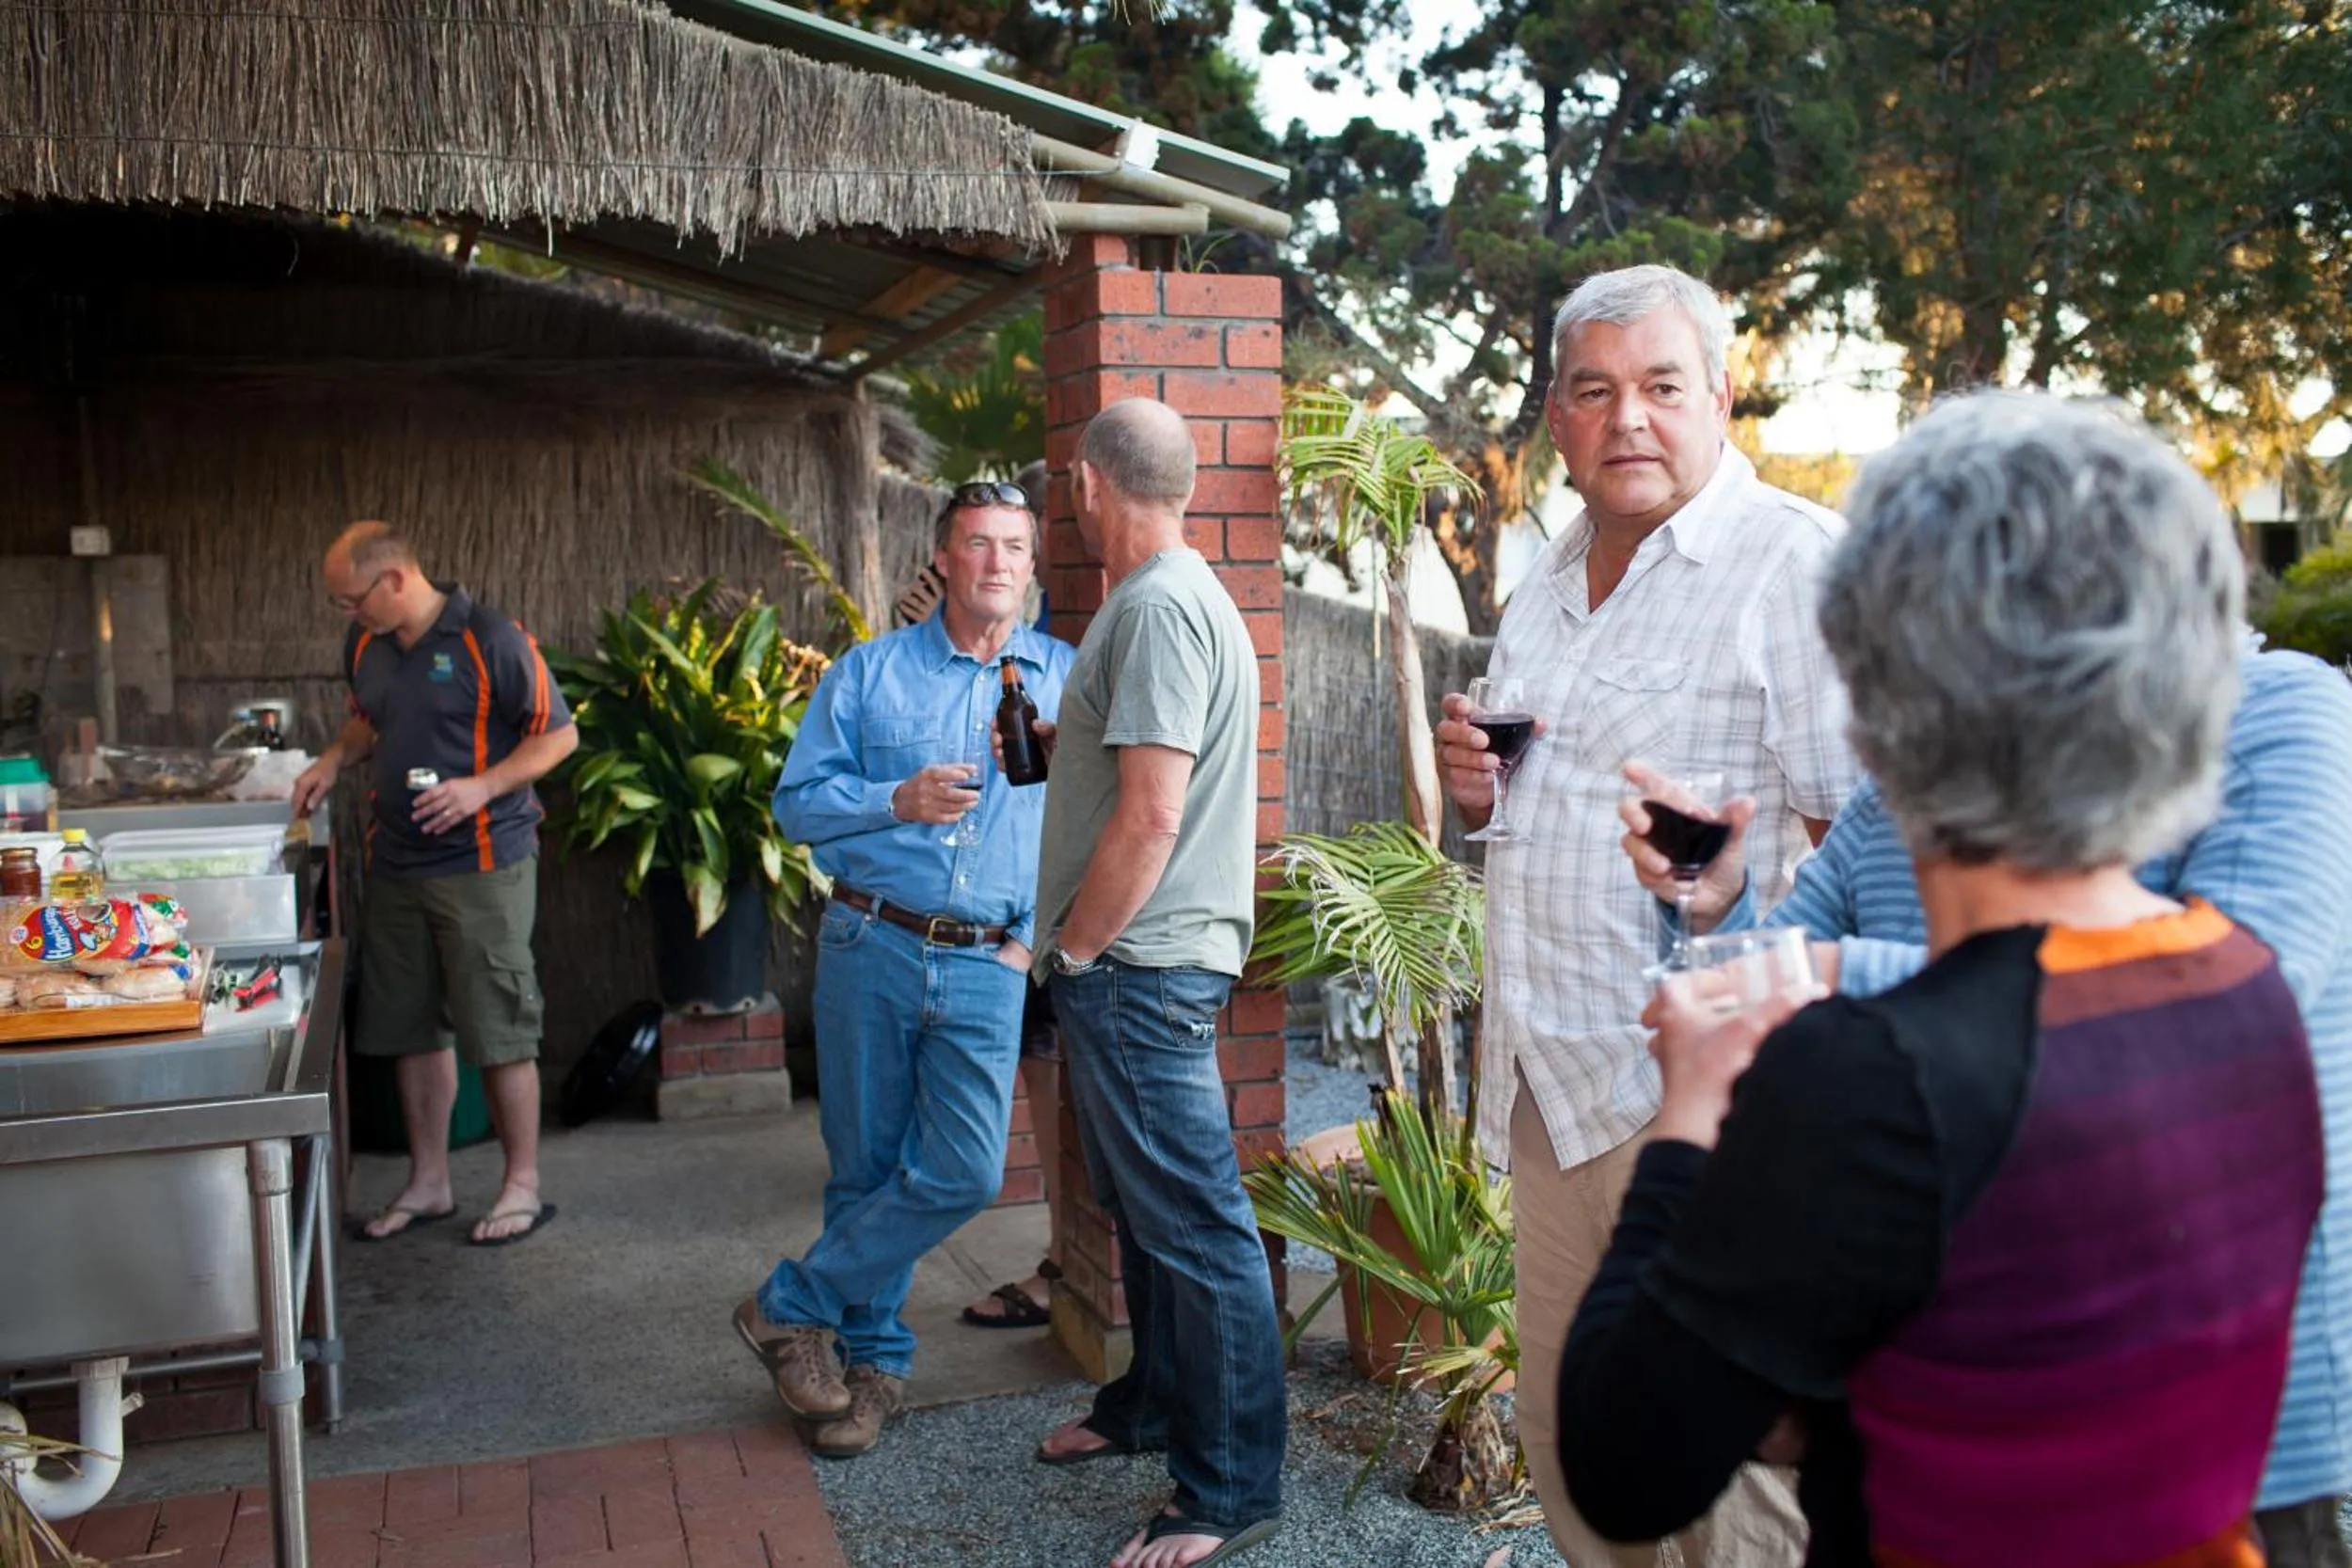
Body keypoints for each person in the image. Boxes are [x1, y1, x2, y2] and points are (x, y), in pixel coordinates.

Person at [1560, 390, 2325, 1563]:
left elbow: (1625, 1462)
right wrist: (1720, 908)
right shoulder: (2232, 995)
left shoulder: (1867, 1075)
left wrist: (1694, 1113)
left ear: (1873, 704)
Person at [1432, 262, 1856, 1565]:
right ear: (1555, 417)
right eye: (1596, 390)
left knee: (1726, 1479)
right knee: (1578, 1444)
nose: (1630, 419)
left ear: (1721, 397)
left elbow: (1877, 854)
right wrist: (1479, 794)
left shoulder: (1795, 568)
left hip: (1714, 1104)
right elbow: (1538, 806)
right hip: (1552, 1085)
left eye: (1663, 387)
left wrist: (1736, 922)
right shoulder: (1548, 577)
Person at [732, 482, 1073, 1459]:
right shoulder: (869, 676)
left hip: (987, 957)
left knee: (965, 1168)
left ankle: (786, 1304)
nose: (997, 561)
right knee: (867, 1165)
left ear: (1032, 565)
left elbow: (1090, 825)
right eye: (978, 543)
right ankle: (868, 1370)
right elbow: (797, 805)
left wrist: (1025, 943)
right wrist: (896, 797)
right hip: (870, 940)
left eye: (1014, 544)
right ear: (946, 559)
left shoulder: (1062, 678)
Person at [1025, 397, 1284, 1568]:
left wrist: (1075, 949)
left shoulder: (1163, 607)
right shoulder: (1157, 603)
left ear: (1088, 483)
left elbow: (1154, 812)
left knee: (1197, 1229)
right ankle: (1150, 1408)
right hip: (1138, 961)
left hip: (1137, 965)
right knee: (1146, 1214)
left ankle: (1227, 1486)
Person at [294, 521, 576, 1246]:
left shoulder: (491, 637)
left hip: (483, 862)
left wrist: (482, 787)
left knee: (500, 1026)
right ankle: (430, 1180)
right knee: (413, 1027)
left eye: (351, 598)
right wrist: (333, 758)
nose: (346, 613)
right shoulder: (367, 645)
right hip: (396, 861)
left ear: (393, 579)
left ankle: (521, 1184)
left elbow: (559, 734)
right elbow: (365, 722)